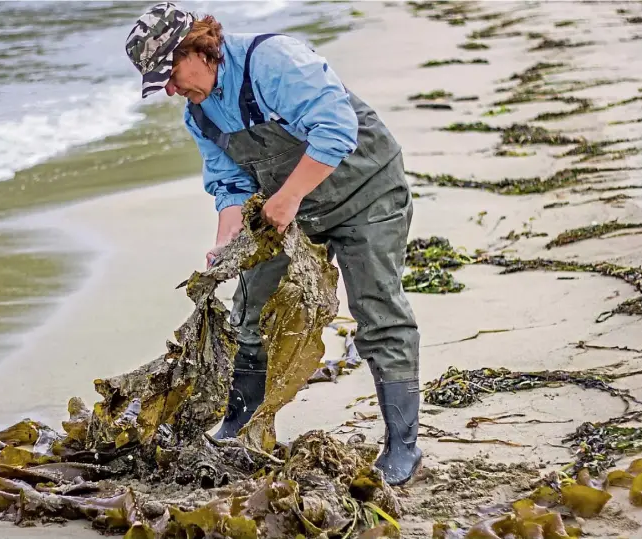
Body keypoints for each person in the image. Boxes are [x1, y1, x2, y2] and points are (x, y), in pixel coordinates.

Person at [125, 2, 422, 486]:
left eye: (172, 73)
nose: (172, 89)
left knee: (377, 311)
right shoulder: (199, 114)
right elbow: (231, 184)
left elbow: (337, 129)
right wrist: (227, 241)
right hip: (289, 207)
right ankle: (242, 426)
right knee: (251, 311)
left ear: (199, 47)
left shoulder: (275, 62)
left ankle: (403, 446)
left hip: (367, 191)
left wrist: (286, 199)